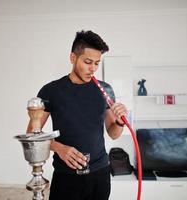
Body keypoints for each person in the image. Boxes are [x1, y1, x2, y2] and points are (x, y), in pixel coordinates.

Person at [27, 30, 127, 200]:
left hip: (100, 174)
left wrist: (119, 122)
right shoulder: (51, 91)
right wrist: (59, 148)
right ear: (73, 58)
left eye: (97, 63)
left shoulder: (105, 90)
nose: (93, 69)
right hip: (66, 176)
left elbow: (113, 134)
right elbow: (31, 132)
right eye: (88, 62)